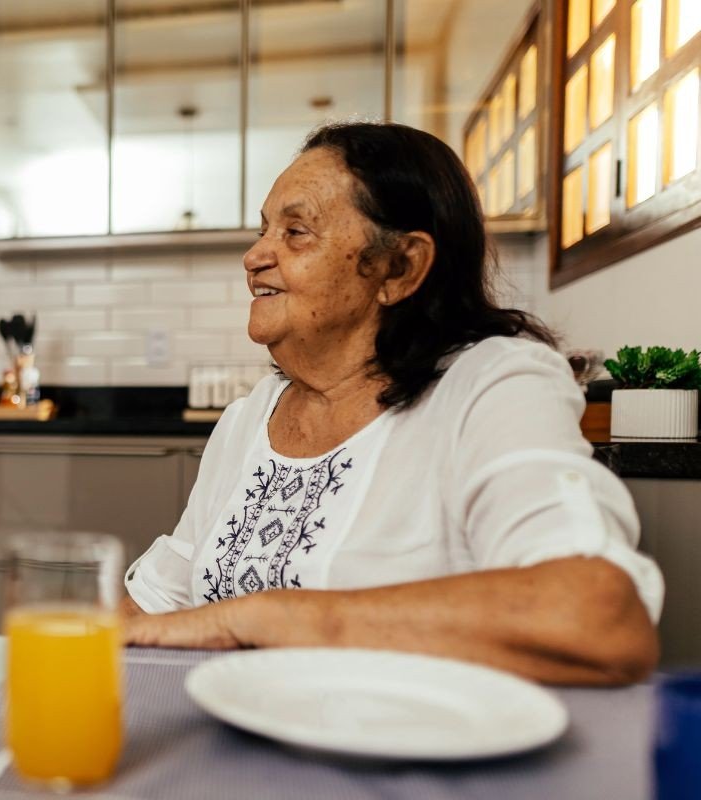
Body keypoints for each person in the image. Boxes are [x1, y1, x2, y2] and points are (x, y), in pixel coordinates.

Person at [122, 122, 663, 686]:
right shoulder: (248, 419)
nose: (254, 255)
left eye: (296, 232)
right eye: (264, 230)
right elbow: (157, 603)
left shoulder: (491, 387)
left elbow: (594, 615)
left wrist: (263, 619)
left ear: (399, 268)